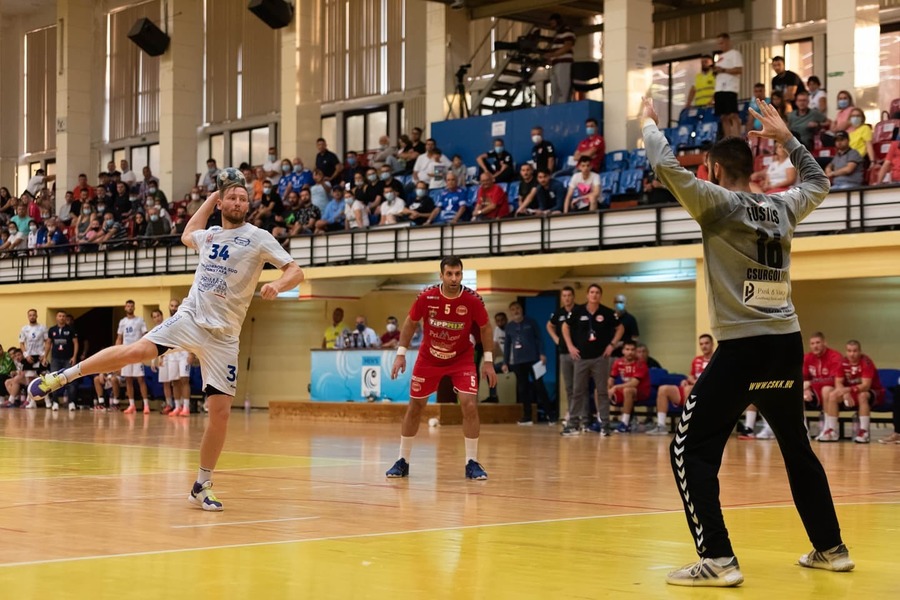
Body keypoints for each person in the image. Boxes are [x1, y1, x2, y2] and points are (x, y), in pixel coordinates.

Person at [642, 96, 853, 586]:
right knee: (797, 446)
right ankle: (831, 547)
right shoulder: (781, 207)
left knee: (688, 449)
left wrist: (650, 124)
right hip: (787, 341)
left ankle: (717, 559)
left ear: (714, 169)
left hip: (743, 347)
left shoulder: (718, 203)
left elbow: (665, 165)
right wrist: (787, 138)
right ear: (753, 166)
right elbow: (819, 181)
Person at [29, 167, 305, 512]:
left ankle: (202, 485)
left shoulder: (259, 236)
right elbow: (189, 231)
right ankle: (61, 377)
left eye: (243, 198)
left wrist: (277, 285)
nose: (238, 201)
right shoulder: (210, 234)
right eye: (232, 197)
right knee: (137, 350)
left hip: (224, 336)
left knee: (220, 414)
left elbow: (296, 270)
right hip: (190, 318)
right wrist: (211, 197)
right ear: (222, 202)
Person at [385, 256, 496, 480]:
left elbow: (485, 328)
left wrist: (489, 361)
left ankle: (472, 463)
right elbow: (410, 322)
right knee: (415, 406)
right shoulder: (427, 297)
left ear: (462, 275)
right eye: (449, 274)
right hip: (429, 359)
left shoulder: (473, 300)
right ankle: (402, 461)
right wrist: (400, 355)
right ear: (441, 275)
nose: (454, 278)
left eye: (458, 274)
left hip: (461, 359)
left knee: (470, 405)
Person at [560, 284, 623, 436]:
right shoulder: (578, 311)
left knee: (602, 391)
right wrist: (570, 346)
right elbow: (565, 327)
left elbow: (620, 328)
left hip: (600, 358)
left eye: (597, 293)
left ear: (600, 296)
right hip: (581, 358)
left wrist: (612, 345)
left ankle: (605, 425)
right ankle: (574, 423)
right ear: (587, 295)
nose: (594, 295)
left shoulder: (607, 312)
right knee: (577, 391)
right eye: (592, 292)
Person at [817, 340, 884, 444]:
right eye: (849, 351)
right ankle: (832, 431)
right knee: (833, 395)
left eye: (855, 351)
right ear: (846, 351)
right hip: (851, 392)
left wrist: (848, 390)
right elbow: (838, 382)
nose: (852, 354)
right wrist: (844, 392)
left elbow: (866, 386)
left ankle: (863, 432)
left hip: (873, 392)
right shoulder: (843, 362)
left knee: (862, 395)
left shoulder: (866, 362)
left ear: (860, 351)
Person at [650, 334, 715, 435]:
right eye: (701, 344)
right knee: (663, 389)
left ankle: (687, 426)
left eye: (706, 343)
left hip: (708, 391)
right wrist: (687, 379)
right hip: (692, 388)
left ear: (712, 344)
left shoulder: (716, 360)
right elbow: (691, 376)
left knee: (689, 389)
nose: (704, 346)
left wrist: (695, 383)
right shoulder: (696, 360)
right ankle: (661, 426)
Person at [501, 302, 548, 425]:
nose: (516, 311)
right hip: (518, 362)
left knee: (539, 386)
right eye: (513, 309)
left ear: (521, 309)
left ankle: (550, 414)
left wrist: (542, 353)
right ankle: (527, 416)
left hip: (534, 360)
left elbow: (539, 338)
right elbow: (507, 346)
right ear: (510, 312)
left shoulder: (531, 322)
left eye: (517, 308)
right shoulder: (509, 327)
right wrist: (505, 362)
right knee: (522, 389)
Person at [114, 300, 152, 415]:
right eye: (128, 306)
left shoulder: (140, 320)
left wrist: (145, 351)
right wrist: (117, 354)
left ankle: (146, 405)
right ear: (125, 308)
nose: (130, 307)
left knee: (140, 379)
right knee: (128, 379)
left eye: (131, 306)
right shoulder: (122, 322)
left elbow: (145, 335)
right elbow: (119, 338)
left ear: (134, 307)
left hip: (137, 352)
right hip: (126, 353)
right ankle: (132, 405)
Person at [547, 287, 577, 423]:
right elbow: (549, 325)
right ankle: (571, 412)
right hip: (564, 352)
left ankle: (581, 414)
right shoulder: (558, 313)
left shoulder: (579, 311)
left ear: (573, 297)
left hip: (578, 353)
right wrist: (556, 339)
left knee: (580, 386)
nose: (567, 298)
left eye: (569, 295)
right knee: (569, 386)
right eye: (564, 296)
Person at [608, 340, 651, 432]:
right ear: (623, 351)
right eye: (627, 349)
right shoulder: (618, 362)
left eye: (632, 350)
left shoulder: (641, 364)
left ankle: (624, 423)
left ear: (635, 351)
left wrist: (615, 387)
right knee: (599, 391)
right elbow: (611, 378)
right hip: (624, 390)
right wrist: (609, 387)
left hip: (640, 392)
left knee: (628, 390)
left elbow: (634, 383)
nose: (630, 352)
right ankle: (601, 421)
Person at [802, 331, 843, 416]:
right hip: (815, 392)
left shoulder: (835, 356)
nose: (815, 346)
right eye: (812, 344)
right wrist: (806, 389)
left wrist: (810, 383)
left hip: (835, 392)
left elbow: (833, 379)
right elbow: (804, 377)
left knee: (826, 390)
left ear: (825, 343)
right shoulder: (807, 357)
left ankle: (828, 427)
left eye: (818, 343)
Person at [46, 310, 79, 411]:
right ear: (56, 318)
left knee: (70, 380)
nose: (62, 318)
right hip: (55, 359)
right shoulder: (52, 330)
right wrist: (45, 356)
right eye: (60, 316)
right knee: (54, 380)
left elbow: (76, 343)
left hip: (68, 359)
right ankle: (55, 402)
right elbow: (48, 343)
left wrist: (74, 357)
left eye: (63, 316)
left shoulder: (71, 329)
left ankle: (71, 402)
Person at [712, 33, 743, 138]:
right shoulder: (720, 57)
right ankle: (728, 138)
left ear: (728, 41)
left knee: (732, 114)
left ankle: (737, 136)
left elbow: (739, 69)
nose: (720, 45)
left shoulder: (734, 54)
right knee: (723, 116)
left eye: (722, 43)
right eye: (719, 44)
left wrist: (724, 70)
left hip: (730, 88)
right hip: (719, 88)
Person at [19, 308, 48, 408]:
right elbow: (21, 343)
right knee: (30, 380)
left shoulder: (43, 328)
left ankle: (47, 401)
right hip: (29, 356)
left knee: (43, 379)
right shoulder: (24, 329)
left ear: (37, 316)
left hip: (40, 356)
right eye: (30, 315)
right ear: (28, 316)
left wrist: (44, 355)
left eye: (34, 315)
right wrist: (26, 355)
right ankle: (32, 402)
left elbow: (47, 342)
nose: (32, 316)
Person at [545, 13, 575, 104]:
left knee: (563, 87)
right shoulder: (558, 35)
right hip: (556, 64)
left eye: (553, 23)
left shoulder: (567, 31)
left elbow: (567, 46)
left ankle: (563, 106)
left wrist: (553, 54)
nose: (552, 25)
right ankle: (556, 107)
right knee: (555, 88)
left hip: (563, 63)